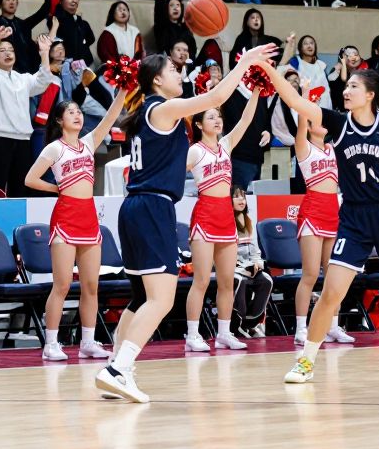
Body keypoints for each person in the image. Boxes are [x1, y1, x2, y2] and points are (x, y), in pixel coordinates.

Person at [252, 61, 379, 384]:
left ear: (370, 95)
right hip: (353, 216)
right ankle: (306, 360)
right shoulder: (337, 123)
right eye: (346, 86)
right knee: (331, 292)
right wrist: (270, 70)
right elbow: (295, 102)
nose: (346, 91)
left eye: (353, 86)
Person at [94, 43, 275, 403]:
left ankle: (117, 365)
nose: (180, 73)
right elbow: (217, 95)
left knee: (141, 297)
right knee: (161, 299)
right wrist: (247, 62)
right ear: (157, 79)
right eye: (174, 70)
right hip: (152, 207)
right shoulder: (162, 108)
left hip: (136, 207)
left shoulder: (150, 111)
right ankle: (117, 369)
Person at [25, 88, 127, 362]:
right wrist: (57, 187)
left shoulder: (89, 142)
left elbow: (110, 117)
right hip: (66, 215)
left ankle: (88, 341)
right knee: (61, 285)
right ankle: (50, 343)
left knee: (91, 285)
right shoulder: (54, 148)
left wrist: (124, 91)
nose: (78, 116)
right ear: (59, 120)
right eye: (71, 112)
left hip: (89, 216)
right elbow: (30, 179)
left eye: (79, 112)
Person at [183, 86, 263, 353]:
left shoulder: (226, 145)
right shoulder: (194, 151)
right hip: (204, 214)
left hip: (226, 216)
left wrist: (256, 92)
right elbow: (170, 171)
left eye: (218, 116)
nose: (217, 120)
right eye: (210, 117)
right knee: (202, 280)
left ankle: (224, 333)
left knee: (228, 280)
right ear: (198, 124)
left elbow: (246, 120)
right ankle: (192, 335)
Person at [292, 114, 353, 346]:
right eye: (316, 119)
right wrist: (304, 101)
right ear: (308, 126)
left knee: (333, 276)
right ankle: (301, 328)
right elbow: (299, 128)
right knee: (309, 275)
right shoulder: (304, 147)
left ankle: (333, 326)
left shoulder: (333, 148)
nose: (323, 122)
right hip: (312, 211)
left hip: (332, 213)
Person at [0, 28, 54, 195]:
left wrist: (44, 53)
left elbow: (44, 80)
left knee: (20, 189)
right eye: (2, 51)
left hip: (23, 140)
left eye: (11, 50)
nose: (7, 53)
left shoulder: (23, 78)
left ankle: (18, 222)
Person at [231, 187, 272, 337]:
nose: (241, 200)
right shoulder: (226, 221)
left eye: (243, 197)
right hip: (233, 267)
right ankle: (237, 323)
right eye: (236, 197)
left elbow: (255, 250)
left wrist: (257, 263)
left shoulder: (248, 220)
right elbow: (226, 254)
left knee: (266, 280)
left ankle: (251, 323)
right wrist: (244, 267)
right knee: (240, 281)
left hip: (249, 266)